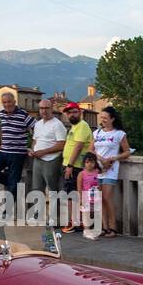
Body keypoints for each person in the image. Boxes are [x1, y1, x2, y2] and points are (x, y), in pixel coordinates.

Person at [87, 105, 131, 238]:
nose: (103, 120)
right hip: (98, 168)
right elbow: (90, 150)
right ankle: (104, 227)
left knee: (107, 197)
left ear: (112, 119)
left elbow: (127, 151)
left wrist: (113, 158)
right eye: (101, 117)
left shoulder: (119, 134)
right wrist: (100, 159)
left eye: (105, 117)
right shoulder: (97, 133)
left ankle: (113, 227)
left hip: (111, 169)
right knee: (99, 199)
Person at [0, 92, 33, 207]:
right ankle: (13, 183)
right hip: (4, 151)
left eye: (9, 102)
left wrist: (34, 146)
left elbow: (37, 128)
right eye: (4, 102)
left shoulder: (23, 114)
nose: (7, 104)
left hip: (17, 153)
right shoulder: (1, 114)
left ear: (14, 102)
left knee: (13, 183)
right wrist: (2, 142)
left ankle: (8, 209)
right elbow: (2, 128)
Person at [28, 98, 67, 219]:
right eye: (41, 108)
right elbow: (35, 140)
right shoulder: (38, 124)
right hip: (37, 159)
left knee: (52, 190)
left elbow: (62, 144)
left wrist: (44, 152)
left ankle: (54, 218)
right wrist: (33, 150)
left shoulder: (57, 124)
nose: (44, 111)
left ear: (52, 109)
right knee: (37, 188)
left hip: (51, 160)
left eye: (46, 108)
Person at [60, 102, 92, 233]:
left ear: (80, 112)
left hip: (75, 166)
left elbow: (78, 147)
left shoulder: (82, 126)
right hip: (72, 165)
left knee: (71, 195)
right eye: (69, 113)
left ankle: (73, 223)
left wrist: (70, 166)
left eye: (74, 112)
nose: (71, 115)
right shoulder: (75, 127)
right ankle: (76, 222)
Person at [78, 152, 102, 239]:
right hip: (86, 196)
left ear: (95, 163)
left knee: (97, 212)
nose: (89, 164)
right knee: (86, 213)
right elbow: (79, 187)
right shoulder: (82, 174)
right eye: (87, 162)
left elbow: (100, 184)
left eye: (92, 162)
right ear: (84, 163)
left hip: (96, 197)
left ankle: (97, 229)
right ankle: (86, 230)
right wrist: (80, 198)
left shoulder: (98, 172)